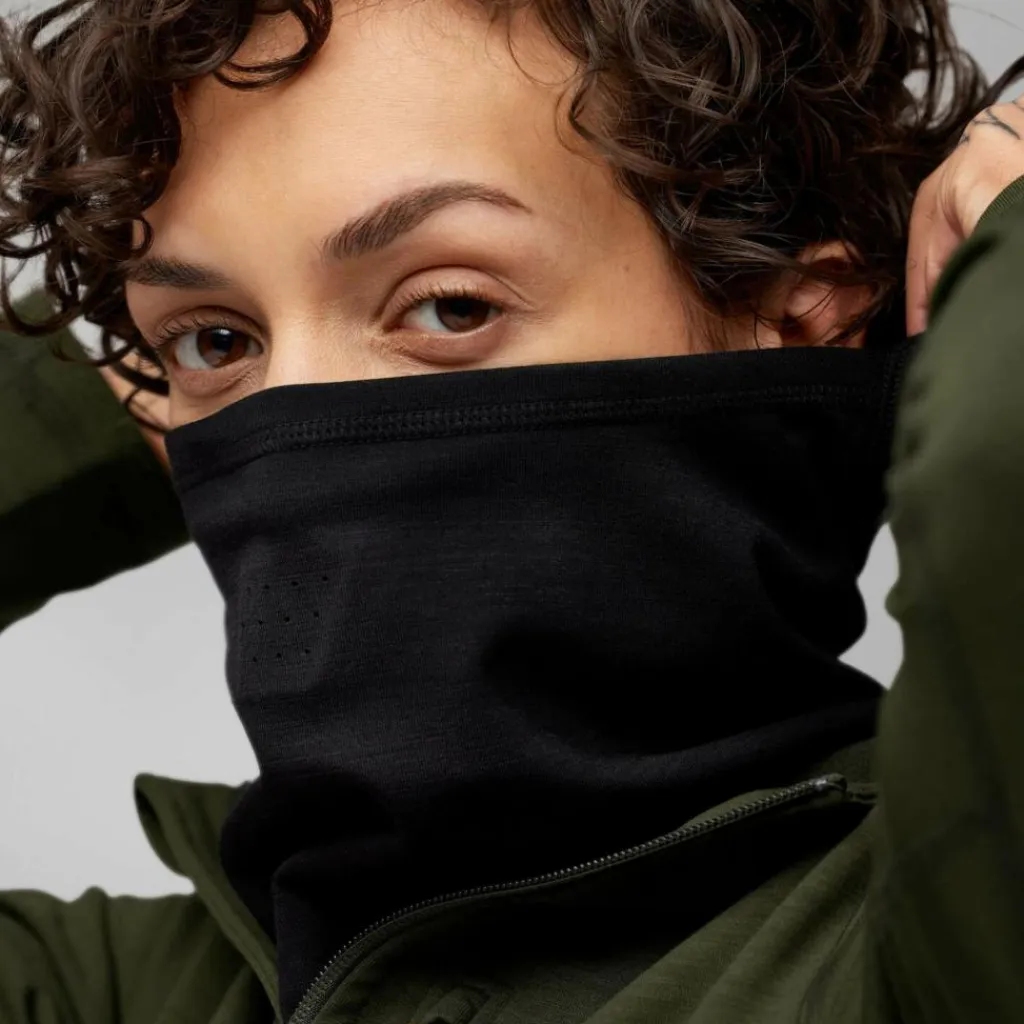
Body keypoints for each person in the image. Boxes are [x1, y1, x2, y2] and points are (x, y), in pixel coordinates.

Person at [1, 0, 1023, 1021]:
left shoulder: (935, 939)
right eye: (216, 342)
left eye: (451, 304)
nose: (290, 418)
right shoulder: (125, 992)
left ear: (796, 323)